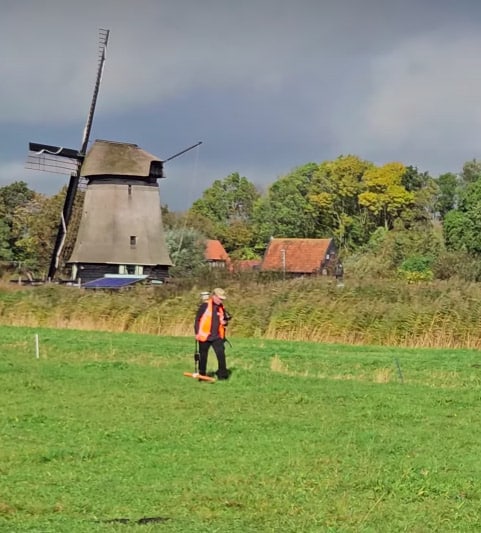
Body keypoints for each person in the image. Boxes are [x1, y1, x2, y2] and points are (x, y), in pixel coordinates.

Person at [194, 287, 230, 380]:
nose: (221, 300)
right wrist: (197, 333)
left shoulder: (221, 307)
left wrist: (225, 322)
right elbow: (197, 320)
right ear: (214, 296)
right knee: (203, 356)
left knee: (221, 355)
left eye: (222, 299)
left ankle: (223, 376)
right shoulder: (204, 306)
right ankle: (202, 376)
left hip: (217, 336)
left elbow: (224, 320)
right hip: (204, 336)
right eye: (220, 298)